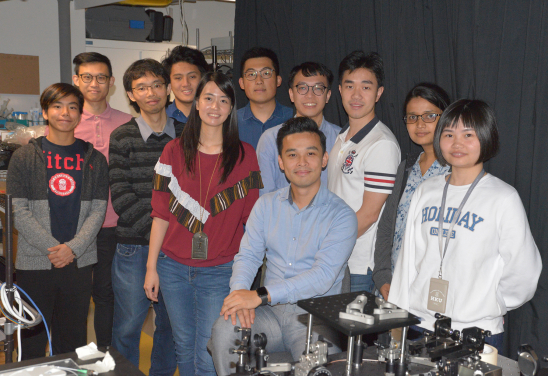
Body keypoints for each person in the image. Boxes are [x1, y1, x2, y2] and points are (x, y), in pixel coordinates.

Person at [388, 99, 542, 353]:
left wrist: (490, 303)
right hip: (421, 324)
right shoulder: (426, 190)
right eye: (449, 134)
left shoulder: (503, 197)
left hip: (476, 332)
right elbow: (408, 261)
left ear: (486, 138)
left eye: (468, 135)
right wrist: (398, 319)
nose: (457, 143)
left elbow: (524, 271)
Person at [210, 117, 358, 376]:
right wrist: (240, 295)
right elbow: (248, 255)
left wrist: (260, 295)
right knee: (225, 329)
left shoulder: (342, 215)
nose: (302, 163)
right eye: (292, 155)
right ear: (281, 162)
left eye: (310, 153)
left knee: (315, 369)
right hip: (271, 315)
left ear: (324, 159)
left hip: (315, 318)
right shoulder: (266, 205)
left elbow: (322, 278)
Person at [144, 71, 262, 376]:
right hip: (172, 268)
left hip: (221, 270)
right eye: (208, 97)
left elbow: (253, 223)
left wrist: (246, 278)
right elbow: (160, 214)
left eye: (223, 100)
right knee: (183, 345)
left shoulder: (245, 156)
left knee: (210, 348)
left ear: (231, 108)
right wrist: (151, 267)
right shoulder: (172, 151)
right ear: (196, 103)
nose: (215, 105)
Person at [7, 83, 109, 359]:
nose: (65, 112)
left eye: (73, 106)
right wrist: (53, 248)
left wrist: (72, 249)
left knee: (73, 338)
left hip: (77, 261)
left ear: (80, 113)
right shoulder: (25, 157)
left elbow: (98, 211)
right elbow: (18, 210)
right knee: (31, 337)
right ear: (45, 111)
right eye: (57, 105)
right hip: (35, 261)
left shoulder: (95, 160)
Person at [109, 59, 183, 375]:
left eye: (156, 85)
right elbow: (122, 194)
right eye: (141, 87)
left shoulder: (187, 134)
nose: (150, 93)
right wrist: (158, 234)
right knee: (127, 326)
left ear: (167, 90)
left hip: (178, 250)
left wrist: (172, 235)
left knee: (170, 327)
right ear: (131, 94)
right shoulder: (122, 136)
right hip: (134, 248)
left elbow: (193, 192)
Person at [70, 52, 132, 348]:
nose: (94, 83)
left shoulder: (128, 123)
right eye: (87, 77)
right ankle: (73, 356)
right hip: (72, 226)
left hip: (113, 225)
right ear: (76, 80)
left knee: (106, 295)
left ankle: (105, 356)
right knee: (75, 296)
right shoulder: (64, 122)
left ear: (111, 83)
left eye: (101, 77)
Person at [327, 51, 400, 293]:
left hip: (358, 266)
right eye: (349, 86)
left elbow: (369, 214)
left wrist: (327, 247)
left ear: (379, 93)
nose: (356, 95)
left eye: (366, 87)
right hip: (339, 259)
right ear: (339, 90)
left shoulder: (381, 144)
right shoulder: (342, 137)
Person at [373, 83, 450, 300]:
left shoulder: (456, 170)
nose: (420, 124)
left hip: (434, 289)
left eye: (429, 116)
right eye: (412, 117)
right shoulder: (407, 166)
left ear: (446, 117)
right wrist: (382, 275)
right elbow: (388, 224)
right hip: (395, 284)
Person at [256, 62, 340, 195]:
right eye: (302, 88)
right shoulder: (270, 139)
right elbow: (265, 194)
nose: (310, 95)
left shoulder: (341, 138)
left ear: (328, 95)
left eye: (318, 88)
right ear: (291, 94)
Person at [237, 47, 293, 148]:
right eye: (251, 74)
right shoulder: (231, 123)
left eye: (266, 73)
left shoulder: (294, 119)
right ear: (241, 83)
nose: (259, 80)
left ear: (278, 80)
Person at [162, 46, 210, 123]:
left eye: (192, 77)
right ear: (169, 83)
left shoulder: (214, 115)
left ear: (202, 78)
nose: (185, 84)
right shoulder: (160, 117)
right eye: (178, 78)